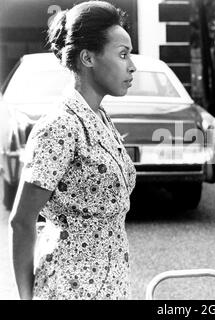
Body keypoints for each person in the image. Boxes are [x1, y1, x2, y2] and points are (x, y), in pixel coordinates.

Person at [9, 1, 137, 300]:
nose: (131, 65)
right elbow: (21, 220)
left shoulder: (100, 118)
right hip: (69, 288)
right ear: (87, 58)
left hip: (111, 284)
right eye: (122, 54)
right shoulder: (60, 126)